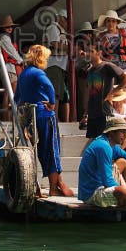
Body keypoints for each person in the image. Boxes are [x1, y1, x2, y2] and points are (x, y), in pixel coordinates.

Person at [15, 45, 74, 197]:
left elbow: (17, 98)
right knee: (52, 150)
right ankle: (54, 187)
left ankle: (58, 184)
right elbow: (50, 87)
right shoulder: (38, 73)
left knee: (43, 151)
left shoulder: (23, 74)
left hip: (31, 117)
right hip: (44, 115)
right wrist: (52, 104)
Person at [85, 44, 126, 141]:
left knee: (106, 141)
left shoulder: (106, 66)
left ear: (99, 53)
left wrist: (112, 92)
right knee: (94, 143)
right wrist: (86, 113)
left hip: (104, 111)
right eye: (87, 51)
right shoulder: (89, 70)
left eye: (91, 51)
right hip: (92, 113)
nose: (88, 54)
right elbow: (90, 93)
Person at [41, 8, 71, 122]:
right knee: (55, 92)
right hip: (53, 65)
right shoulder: (53, 27)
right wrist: (71, 48)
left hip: (60, 66)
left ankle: (56, 116)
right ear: (60, 19)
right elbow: (54, 43)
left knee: (59, 93)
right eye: (66, 20)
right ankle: (54, 117)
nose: (67, 23)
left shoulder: (60, 30)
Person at [96, 10, 126, 77]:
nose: (111, 23)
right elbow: (97, 53)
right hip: (109, 71)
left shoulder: (125, 32)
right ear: (105, 23)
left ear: (117, 22)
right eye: (108, 21)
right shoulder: (100, 37)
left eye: (113, 21)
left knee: (124, 87)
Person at [0, 15, 23, 93]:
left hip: (8, 66)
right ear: (3, 28)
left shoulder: (4, 37)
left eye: (11, 27)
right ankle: (12, 105)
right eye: (7, 27)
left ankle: (8, 105)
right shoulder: (4, 38)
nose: (10, 28)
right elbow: (12, 52)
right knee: (12, 88)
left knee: (8, 91)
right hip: (8, 67)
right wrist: (21, 60)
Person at [74, 21, 96, 119]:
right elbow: (77, 62)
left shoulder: (93, 46)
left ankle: (90, 115)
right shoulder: (78, 46)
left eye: (89, 33)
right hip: (83, 73)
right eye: (86, 33)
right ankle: (85, 116)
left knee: (93, 95)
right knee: (85, 96)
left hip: (93, 74)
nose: (88, 35)